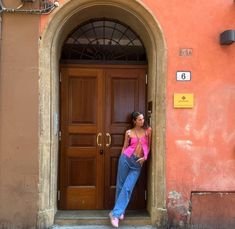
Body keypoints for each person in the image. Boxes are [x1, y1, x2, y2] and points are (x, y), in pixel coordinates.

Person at [109, 111, 152, 228]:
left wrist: (145, 158)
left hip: (137, 163)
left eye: (143, 119)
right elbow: (124, 147)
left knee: (128, 188)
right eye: (139, 119)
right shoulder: (128, 132)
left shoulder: (148, 131)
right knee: (121, 185)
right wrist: (121, 158)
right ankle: (119, 212)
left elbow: (148, 146)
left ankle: (115, 213)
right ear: (134, 121)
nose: (142, 121)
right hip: (125, 159)